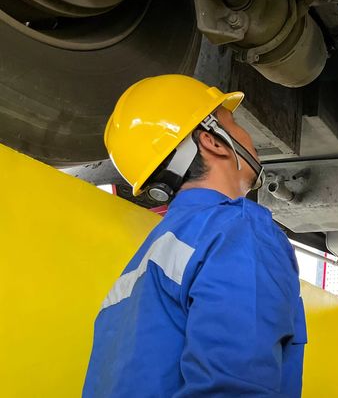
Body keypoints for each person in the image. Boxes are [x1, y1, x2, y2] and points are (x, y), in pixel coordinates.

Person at [83, 75, 306, 397]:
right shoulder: (237, 230)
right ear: (212, 141)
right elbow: (235, 386)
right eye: (234, 122)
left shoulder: (143, 263)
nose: (248, 136)